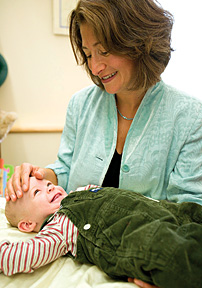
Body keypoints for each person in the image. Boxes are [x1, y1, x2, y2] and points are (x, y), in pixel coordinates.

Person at [5, 1, 202, 287]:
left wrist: (167, 262)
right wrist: (37, 178)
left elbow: (191, 207)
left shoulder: (190, 116)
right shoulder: (81, 104)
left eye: (105, 51)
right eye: (88, 54)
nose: (95, 67)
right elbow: (65, 167)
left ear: (139, 42)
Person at [2, 176, 202, 288]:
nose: (49, 188)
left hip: (168, 212)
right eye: (37, 193)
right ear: (27, 225)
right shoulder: (58, 226)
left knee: (194, 215)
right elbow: (20, 256)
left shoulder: (80, 191)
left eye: (48, 184)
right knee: (175, 256)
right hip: (144, 237)